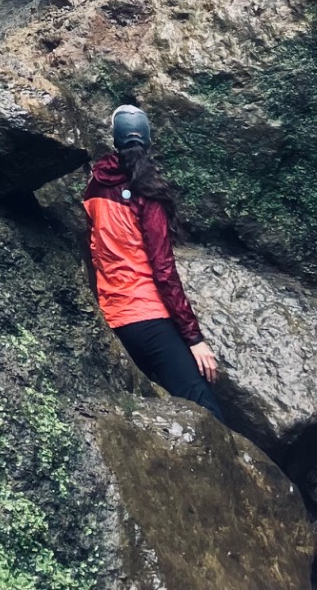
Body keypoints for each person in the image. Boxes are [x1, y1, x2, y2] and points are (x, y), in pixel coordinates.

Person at [83, 104, 225, 421]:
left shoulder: (93, 188)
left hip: (114, 320)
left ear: (115, 141)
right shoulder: (147, 192)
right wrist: (195, 339)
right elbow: (163, 272)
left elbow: (92, 252)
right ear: (148, 143)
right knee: (206, 411)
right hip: (149, 319)